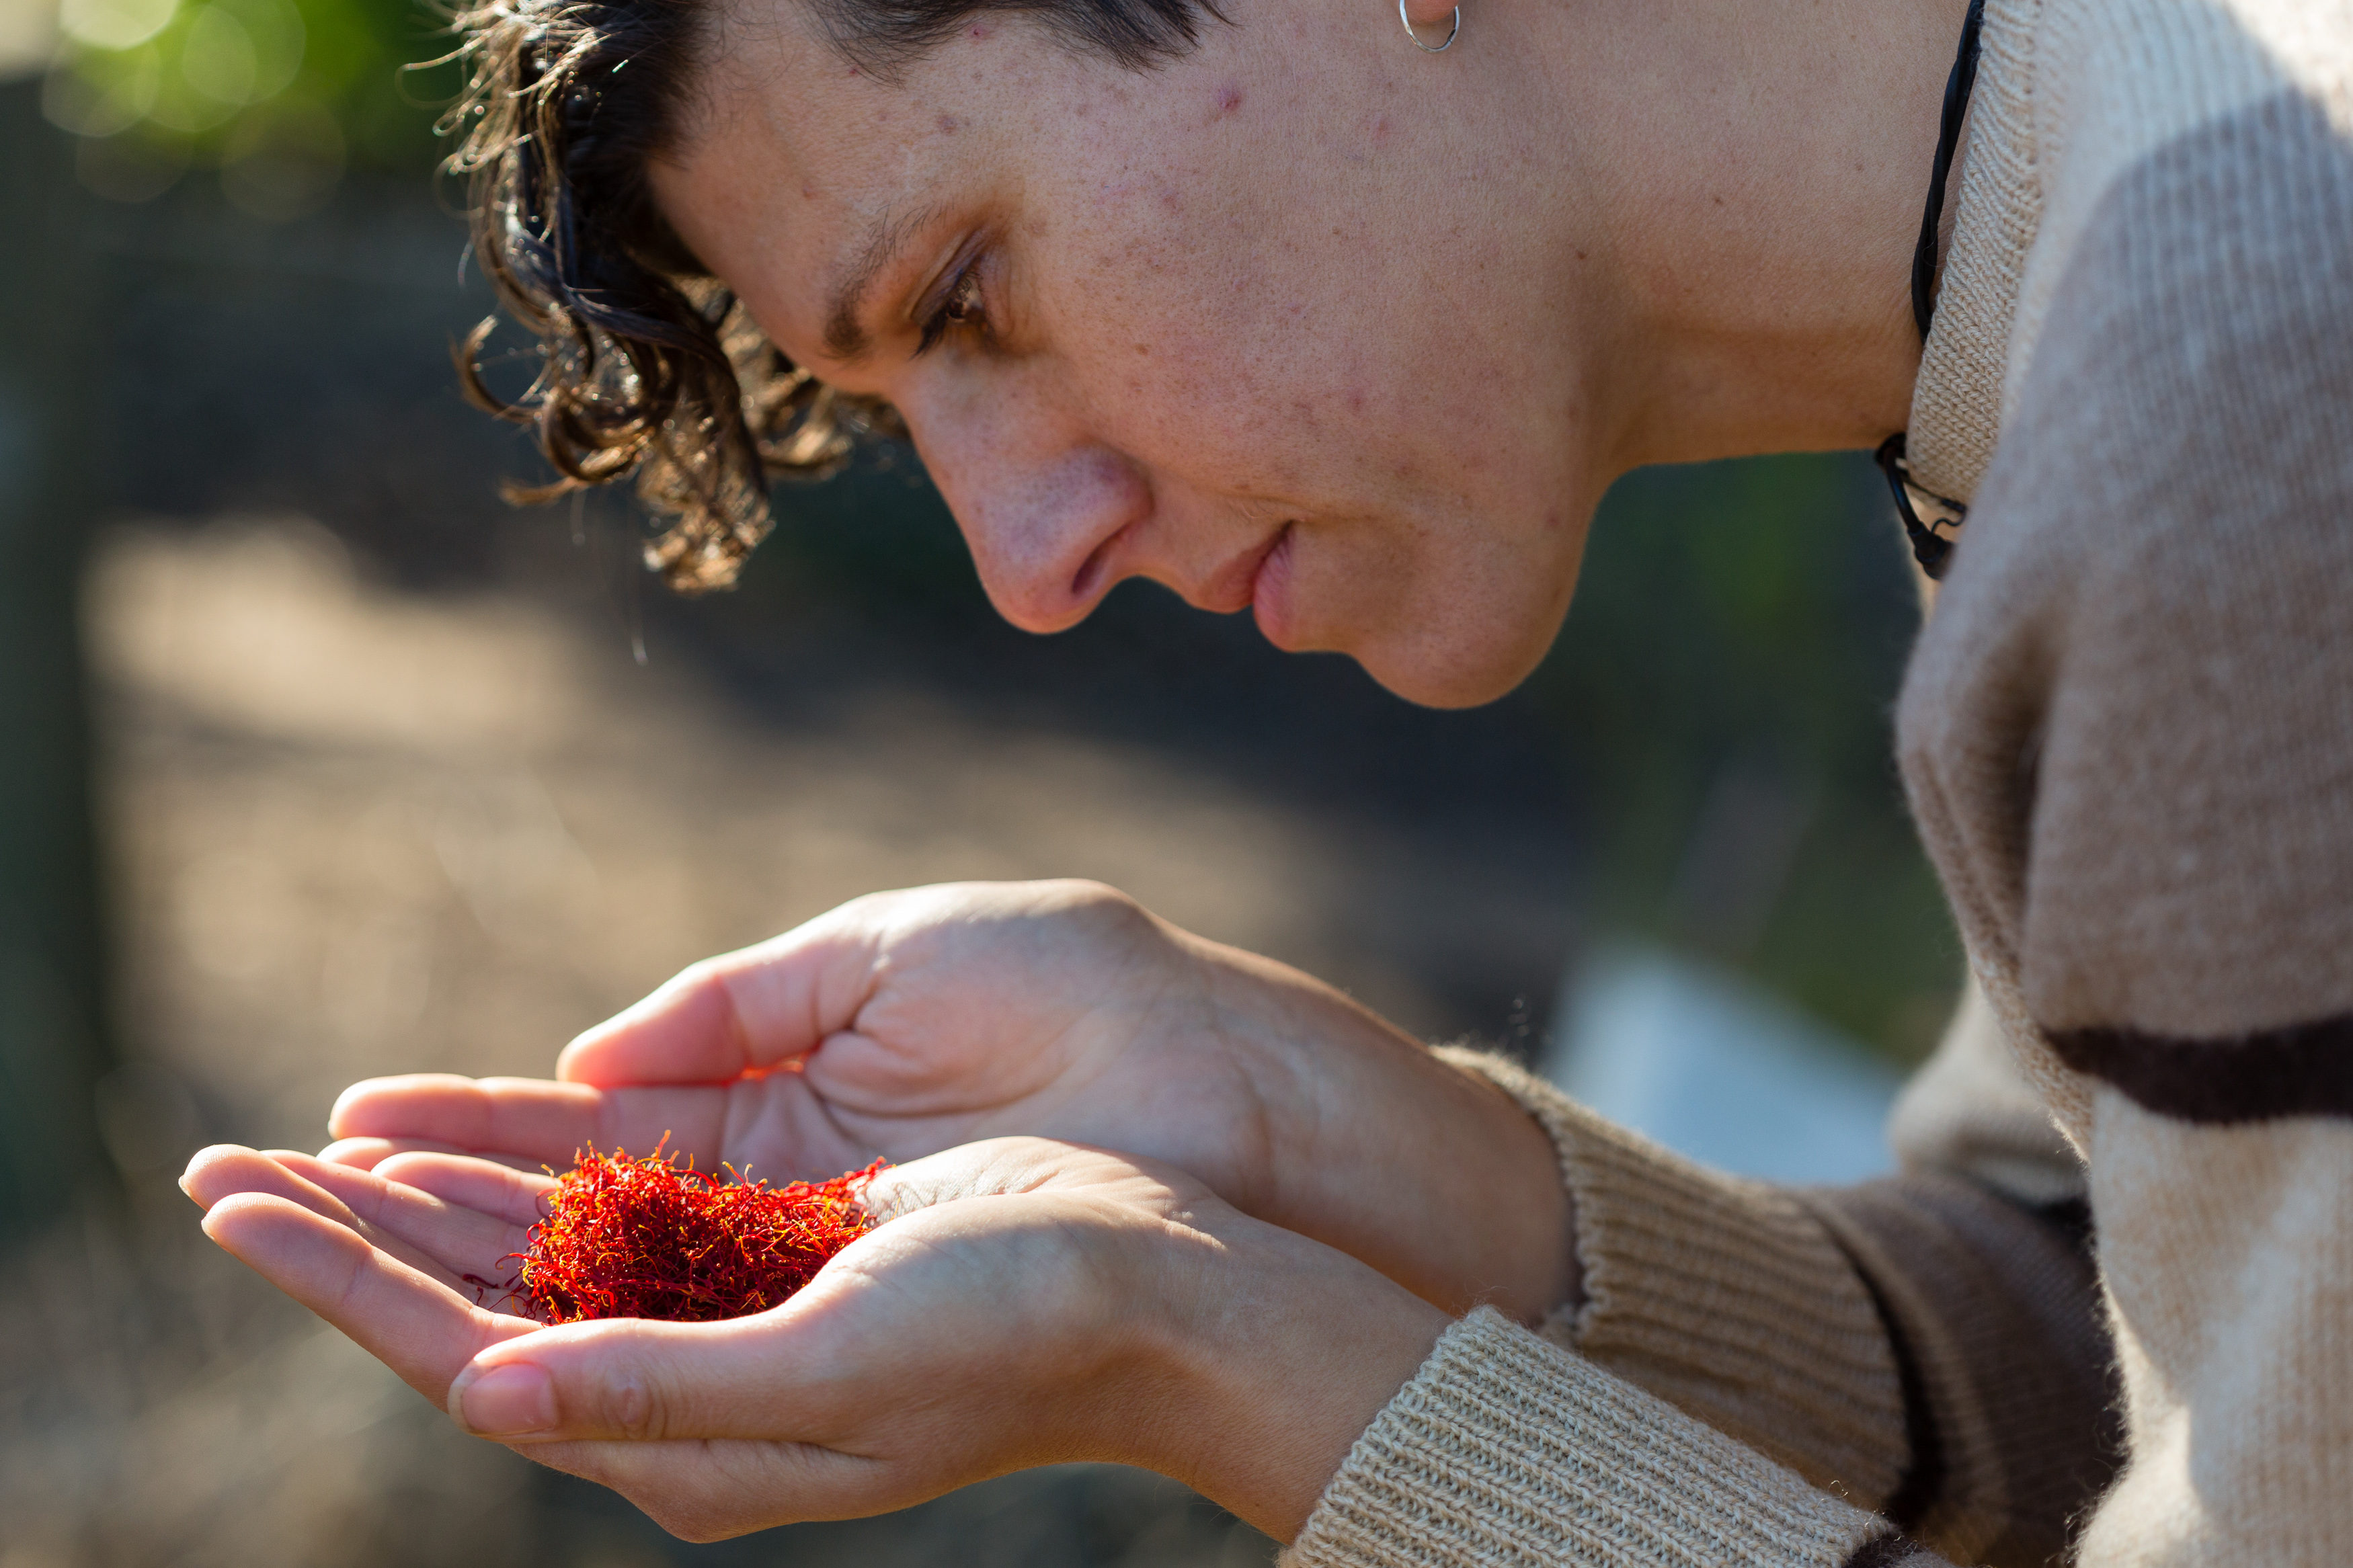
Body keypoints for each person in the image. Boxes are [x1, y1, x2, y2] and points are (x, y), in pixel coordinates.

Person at [178, 0, 2353, 1559]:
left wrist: (1211, 1361)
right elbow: (2102, 1339)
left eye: (971, 295)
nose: (1030, 565)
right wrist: (1299, 1132)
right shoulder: (2119, 233)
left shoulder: (2241, 390)